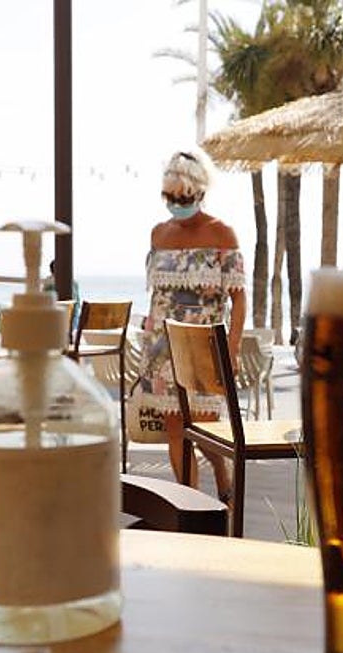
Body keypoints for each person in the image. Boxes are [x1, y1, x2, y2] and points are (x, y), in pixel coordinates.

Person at [134, 150, 246, 498]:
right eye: (170, 197)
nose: (177, 203)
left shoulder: (222, 234)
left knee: (206, 428)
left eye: (184, 197)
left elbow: (239, 299)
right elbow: (156, 295)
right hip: (162, 349)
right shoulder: (158, 234)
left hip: (203, 350)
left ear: (200, 193)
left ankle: (223, 481)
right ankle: (191, 508)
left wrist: (232, 349)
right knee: (175, 430)